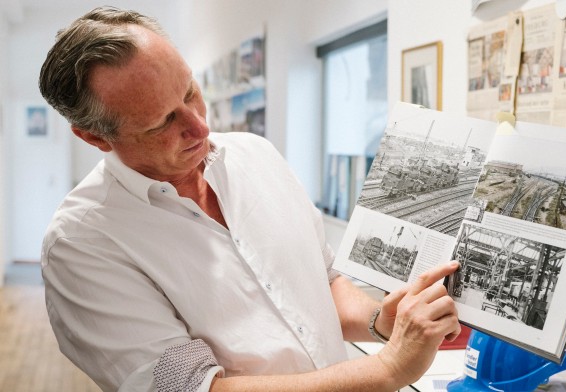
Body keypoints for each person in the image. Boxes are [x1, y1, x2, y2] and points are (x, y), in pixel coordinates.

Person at [39, 6, 461, 392]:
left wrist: (378, 320)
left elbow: (322, 281)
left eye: (189, 92)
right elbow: (197, 389)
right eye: (162, 122)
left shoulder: (255, 155)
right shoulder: (81, 244)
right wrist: (388, 369)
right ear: (94, 136)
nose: (200, 127)